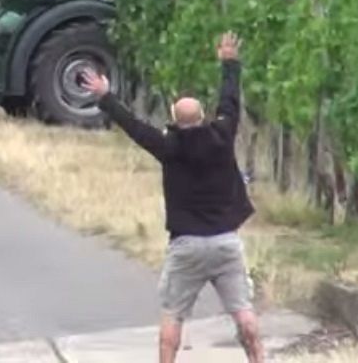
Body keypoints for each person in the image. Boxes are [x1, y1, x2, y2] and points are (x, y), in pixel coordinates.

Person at [79, 32, 263, 363]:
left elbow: (133, 126)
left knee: (172, 317)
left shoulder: (168, 146)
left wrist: (106, 96)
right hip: (225, 241)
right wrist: (229, 63)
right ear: (204, 115)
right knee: (244, 313)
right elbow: (230, 101)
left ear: (173, 120)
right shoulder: (222, 136)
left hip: (187, 246)